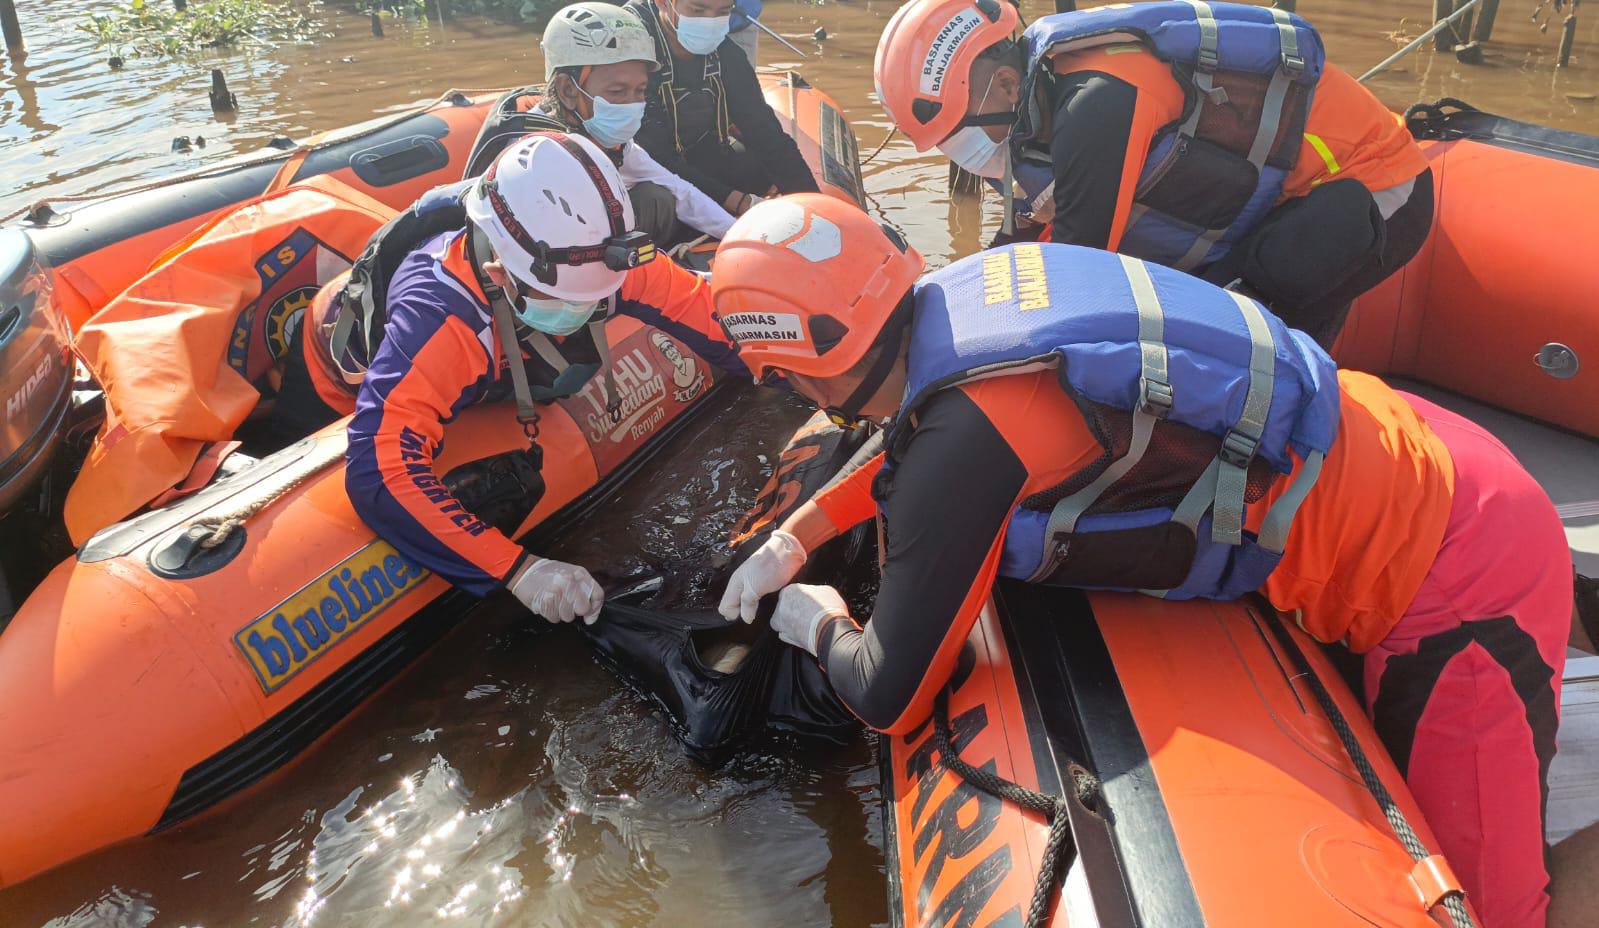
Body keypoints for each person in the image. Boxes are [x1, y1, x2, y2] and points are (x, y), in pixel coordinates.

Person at [710, 193, 1568, 928]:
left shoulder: (966, 436)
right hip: (1407, 447)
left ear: (793, 369)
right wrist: (802, 530)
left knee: (1496, 908)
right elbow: (928, 441)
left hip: (1454, 560)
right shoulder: (960, 292)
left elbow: (886, 693)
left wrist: (817, 620)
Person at [305, 133, 740, 625]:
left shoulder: (600, 258)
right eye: (569, 298)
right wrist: (517, 570)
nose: (588, 308)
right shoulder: (441, 316)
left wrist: (828, 386)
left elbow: (720, 324)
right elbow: (379, 471)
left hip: (498, 351)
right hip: (336, 366)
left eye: (596, 297)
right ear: (501, 272)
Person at [873, 0, 1435, 348]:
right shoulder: (1042, 89)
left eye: (956, 133)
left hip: (1375, 190)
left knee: (1227, 317)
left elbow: (1076, 272)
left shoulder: (1095, 105)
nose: (962, 152)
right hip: (1287, 194)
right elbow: (1031, 229)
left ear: (1003, 86)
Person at [463, 2, 737, 245]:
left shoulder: (614, 143)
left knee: (658, 196)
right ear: (568, 91)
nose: (632, 103)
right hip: (548, 266)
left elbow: (679, 189)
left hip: (592, 247)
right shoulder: (533, 157)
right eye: (617, 92)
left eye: (640, 90)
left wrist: (738, 234)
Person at [624, 0, 820, 218]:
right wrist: (737, 201)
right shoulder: (632, 56)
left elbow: (766, 133)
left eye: (722, 12)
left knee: (757, 169)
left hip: (695, 151)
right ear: (664, 3)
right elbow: (652, 154)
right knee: (656, 200)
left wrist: (817, 208)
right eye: (698, 10)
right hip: (644, 168)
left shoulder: (727, 54)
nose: (709, 22)